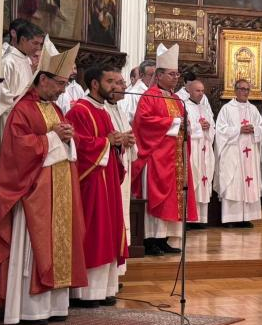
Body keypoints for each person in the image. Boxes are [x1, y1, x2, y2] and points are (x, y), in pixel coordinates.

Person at [0, 43, 88, 325]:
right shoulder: (23, 109)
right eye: (60, 84)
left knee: (59, 245)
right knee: (34, 247)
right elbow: (18, 150)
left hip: (59, 191)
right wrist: (54, 137)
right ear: (43, 79)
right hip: (33, 193)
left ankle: (54, 306)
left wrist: (69, 136)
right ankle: (30, 310)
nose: (63, 91)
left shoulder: (55, 108)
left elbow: (65, 144)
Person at [66, 65, 128, 307]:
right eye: (110, 81)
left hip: (107, 180)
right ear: (94, 84)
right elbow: (77, 145)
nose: (115, 86)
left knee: (109, 231)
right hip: (91, 182)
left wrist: (119, 143)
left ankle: (105, 290)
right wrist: (106, 142)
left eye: (117, 81)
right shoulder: (79, 110)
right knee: (95, 233)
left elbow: (108, 141)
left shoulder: (102, 111)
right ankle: (86, 293)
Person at [131, 44, 197, 256]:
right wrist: (175, 123)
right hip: (156, 157)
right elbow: (143, 122)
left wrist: (186, 125)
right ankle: (150, 239)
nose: (176, 78)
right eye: (171, 74)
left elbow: (183, 122)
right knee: (155, 198)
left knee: (172, 200)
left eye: (177, 74)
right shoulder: (150, 96)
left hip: (174, 158)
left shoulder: (176, 99)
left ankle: (164, 239)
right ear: (158, 75)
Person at [214, 79, 262, 228]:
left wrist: (255, 129)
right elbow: (220, 131)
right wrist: (239, 130)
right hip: (233, 153)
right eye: (241, 89)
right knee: (234, 182)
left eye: (247, 89)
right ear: (235, 90)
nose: (244, 92)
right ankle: (231, 218)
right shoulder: (226, 109)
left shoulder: (253, 109)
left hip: (250, 154)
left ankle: (246, 218)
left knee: (249, 183)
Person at [104, 71, 136, 276]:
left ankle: (116, 273)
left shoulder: (119, 109)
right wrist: (120, 141)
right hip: (109, 170)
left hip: (123, 166)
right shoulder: (100, 109)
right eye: (118, 83)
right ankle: (110, 274)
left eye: (123, 83)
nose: (124, 87)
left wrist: (130, 141)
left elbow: (127, 134)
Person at [0, 22, 45, 144]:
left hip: (24, 116)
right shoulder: (8, 61)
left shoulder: (25, 61)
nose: (38, 48)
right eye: (35, 43)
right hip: (10, 116)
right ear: (23, 39)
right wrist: (20, 100)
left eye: (40, 44)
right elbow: (0, 92)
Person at [184, 80, 215, 227]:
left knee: (204, 179)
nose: (201, 93)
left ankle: (201, 218)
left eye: (202, 91)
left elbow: (213, 127)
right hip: (193, 148)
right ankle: (189, 218)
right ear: (189, 91)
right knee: (193, 179)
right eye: (198, 90)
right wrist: (198, 126)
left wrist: (208, 127)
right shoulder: (184, 106)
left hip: (205, 147)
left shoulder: (206, 108)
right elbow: (185, 127)